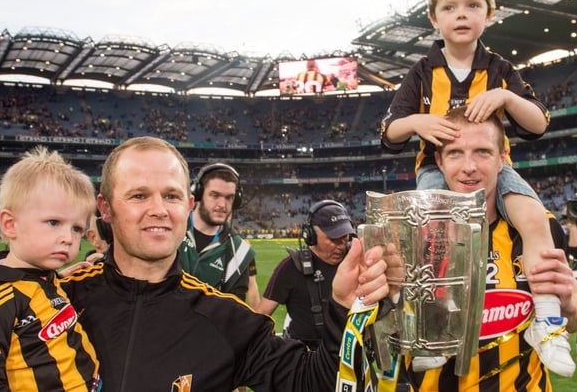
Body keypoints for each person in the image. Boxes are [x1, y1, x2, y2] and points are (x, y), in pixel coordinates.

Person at [60, 136, 390, 391]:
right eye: (138, 196)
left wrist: (343, 309)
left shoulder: (227, 320)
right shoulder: (54, 299)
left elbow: (315, 382)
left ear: (188, 205)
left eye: (171, 196)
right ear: (104, 208)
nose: (159, 209)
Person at [379, 0, 573, 376]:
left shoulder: (500, 69)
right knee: (433, 236)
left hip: (494, 169)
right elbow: (389, 132)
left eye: (472, 5)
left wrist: (505, 96)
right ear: (434, 19)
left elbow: (538, 123)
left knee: (534, 218)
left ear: (491, 13)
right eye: (450, 7)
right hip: (436, 170)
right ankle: (433, 328)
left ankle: (549, 319)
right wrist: (417, 122)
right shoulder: (422, 71)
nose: (461, 14)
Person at [401, 105, 577, 390]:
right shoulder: (407, 233)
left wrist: (569, 304)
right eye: (456, 153)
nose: (469, 167)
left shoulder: (539, 224)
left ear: (502, 159)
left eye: (483, 152)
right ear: (439, 162)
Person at [0, 146, 100, 391]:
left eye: (77, 228)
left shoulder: (45, 280)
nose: (68, 238)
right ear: (10, 225)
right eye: (54, 222)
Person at [256, 199, 356, 349]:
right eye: (334, 239)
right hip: (305, 359)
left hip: (349, 355)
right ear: (310, 235)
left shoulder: (356, 259)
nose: (341, 246)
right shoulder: (290, 267)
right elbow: (260, 316)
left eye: (345, 237)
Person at [179, 162, 259, 307]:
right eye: (215, 195)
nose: (222, 204)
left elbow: (233, 310)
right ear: (198, 194)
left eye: (229, 197)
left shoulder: (239, 252)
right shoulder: (170, 229)